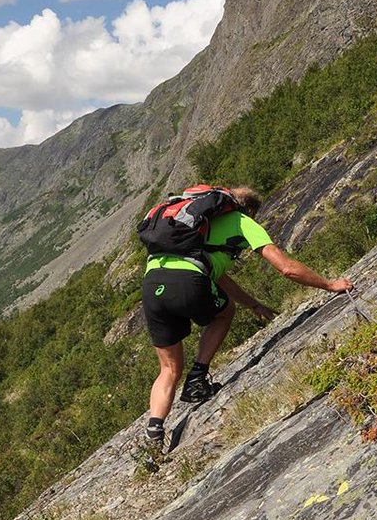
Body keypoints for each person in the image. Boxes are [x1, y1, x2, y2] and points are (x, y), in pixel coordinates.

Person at [139, 186, 353, 458]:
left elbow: (216, 275)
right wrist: (330, 284)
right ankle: (197, 377)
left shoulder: (191, 228)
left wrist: (253, 303)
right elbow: (286, 267)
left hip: (152, 283)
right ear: (248, 210)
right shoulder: (243, 222)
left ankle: (154, 433)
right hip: (188, 280)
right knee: (224, 313)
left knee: (168, 369)